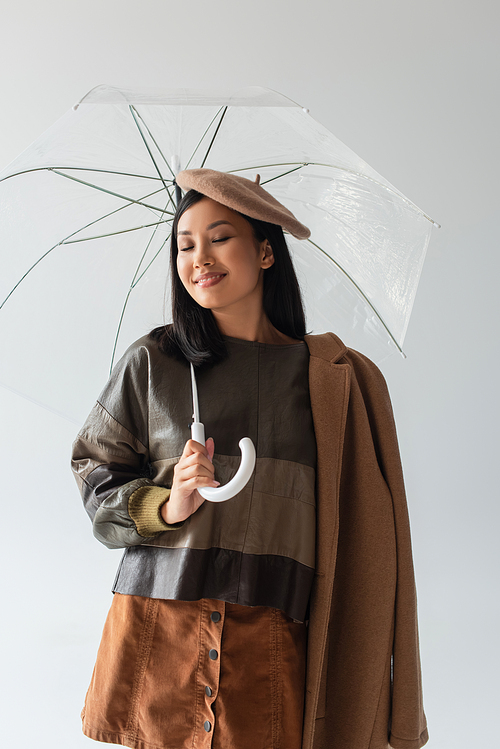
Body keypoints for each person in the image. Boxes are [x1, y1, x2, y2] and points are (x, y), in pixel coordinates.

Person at [71, 169, 428, 749]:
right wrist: (168, 502)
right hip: (160, 628)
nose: (199, 259)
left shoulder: (333, 381)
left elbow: (362, 535)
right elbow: (94, 473)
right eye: (185, 245)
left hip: (274, 636)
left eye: (219, 237)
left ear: (265, 251)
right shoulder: (154, 362)